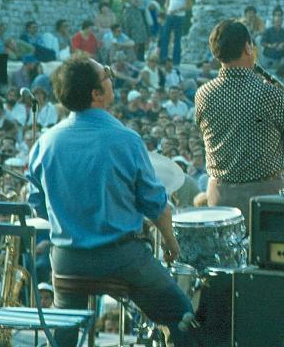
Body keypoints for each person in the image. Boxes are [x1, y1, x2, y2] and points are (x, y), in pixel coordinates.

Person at [27, 56, 195, 347]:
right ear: (96, 94)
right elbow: (156, 206)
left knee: (63, 336)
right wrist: (172, 245)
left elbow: (39, 205)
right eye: (106, 74)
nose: (111, 77)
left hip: (68, 261)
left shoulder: (45, 142)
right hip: (122, 259)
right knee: (183, 316)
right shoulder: (126, 140)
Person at [194, 20, 284, 222]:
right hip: (264, 197)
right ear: (248, 48)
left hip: (219, 198)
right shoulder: (269, 93)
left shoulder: (202, 94)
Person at [159, 0, 192, 66]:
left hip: (179, 16)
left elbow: (189, 5)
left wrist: (177, 10)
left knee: (177, 38)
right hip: (170, 15)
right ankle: (163, 58)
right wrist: (166, 7)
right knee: (165, 36)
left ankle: (176, 60)